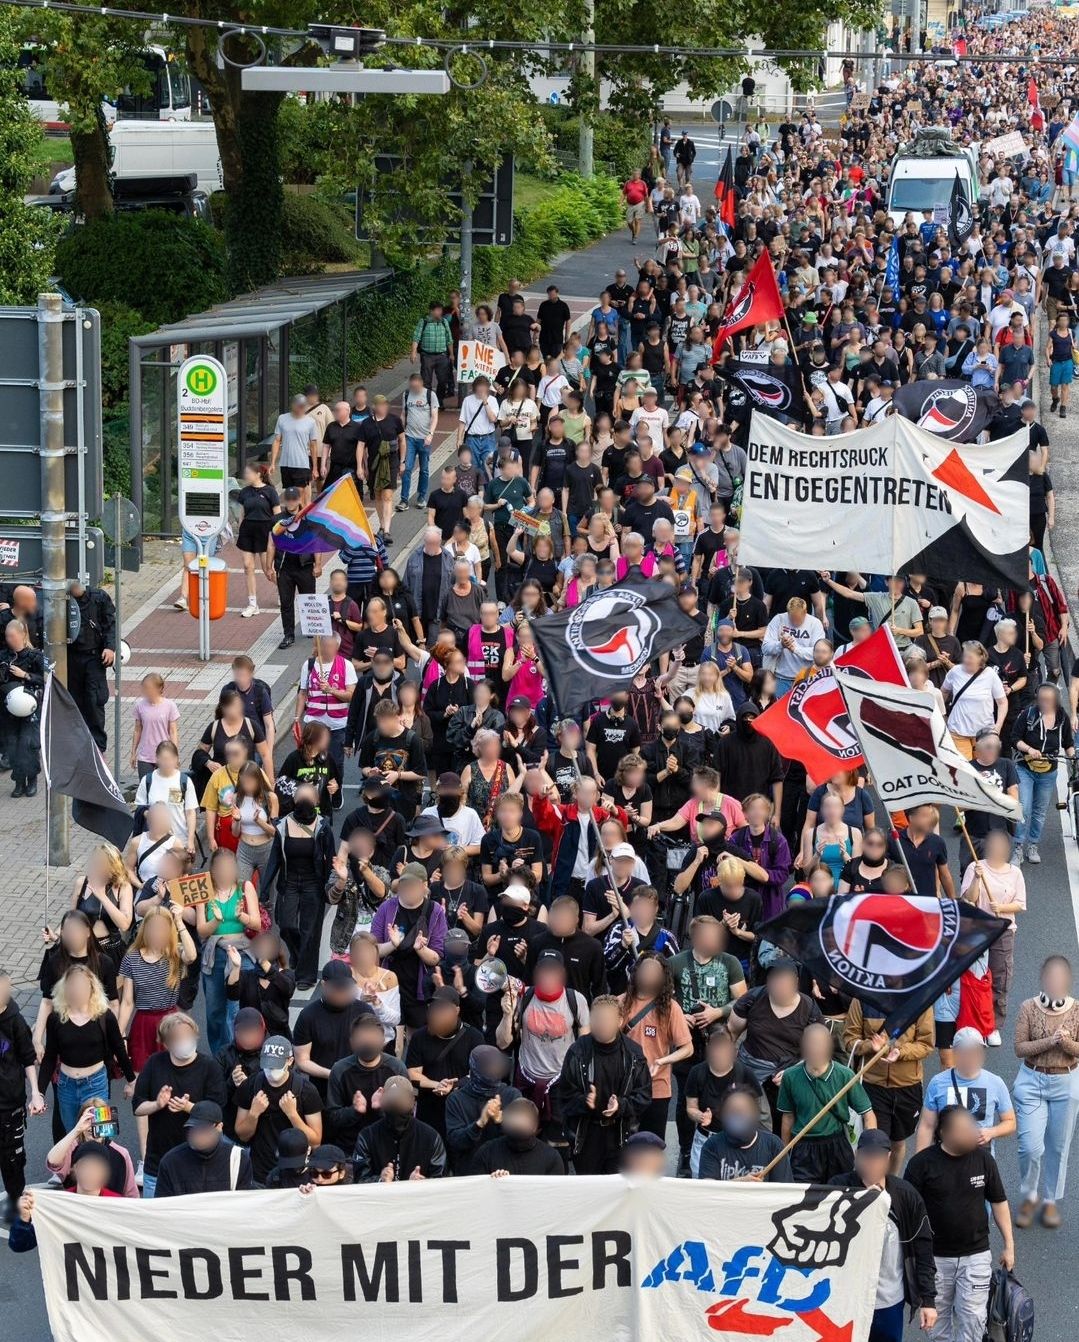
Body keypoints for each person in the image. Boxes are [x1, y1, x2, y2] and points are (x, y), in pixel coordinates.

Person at [906, 1105, 1014, 1342]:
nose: (972, 1133)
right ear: (944, 1133)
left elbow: (998, 1201)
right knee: (937, 1326)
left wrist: (1009, 1245)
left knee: (973, 1322)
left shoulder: (984, 1160)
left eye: (972, 1127)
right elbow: (908, 1212)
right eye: (964, 1129)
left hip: (975, 1256)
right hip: (934, 1260)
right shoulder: (921, 1165)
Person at [830, 1128, 938, 1342]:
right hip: (846, 1298)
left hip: (889, 1301)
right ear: (857, 1156)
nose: (871, 1163)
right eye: (866, 1157)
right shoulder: (837, 1189)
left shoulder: (906, 1196)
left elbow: (923, 1248)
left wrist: (928, 1300)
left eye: (877, 1157)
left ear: (888, 1157)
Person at [1012, 954, 1079, 1229]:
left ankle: (1049, 1200)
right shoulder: (1028, 1007)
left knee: (1058, 1146)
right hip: (1032, 1081)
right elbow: (1019, 1048)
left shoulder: (1077, 1010)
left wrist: (1067, 1045)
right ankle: (1029, 1194)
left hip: (1066, 1081)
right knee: (1031, 1146)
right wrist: (1049, 1041)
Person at [131, 1012, 227, 1197]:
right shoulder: (154, 1063)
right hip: (158, 1161)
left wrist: (189, 1107)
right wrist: (157, 1104)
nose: (185, 1041)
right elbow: (138, 1106)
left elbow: (217, 1110)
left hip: (197, 1162)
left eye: (188, 1036)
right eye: (178, 1038)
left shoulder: (209, 1067)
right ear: (166, 1044)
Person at [555, 993, 651, 1174]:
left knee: (617, 1191)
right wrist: (584, 1101)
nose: (601, 1024)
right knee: (590, 1191)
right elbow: (564, 1097)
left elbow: (644, 1096)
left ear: (619, 1020)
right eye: (597, 1018)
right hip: (586, 1136)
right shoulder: (577, 1052)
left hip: (620, 1135)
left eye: (607, 1019)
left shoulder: (634, 1054)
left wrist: (620, 1106)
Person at [843, 998, 935, 1175]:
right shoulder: (862, 998)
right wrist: (871, 1046)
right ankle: (874, 1185)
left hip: (908, 1085)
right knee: (875, 1141)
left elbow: (926, 1044)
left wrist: (899, 1051)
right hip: (872, 1083)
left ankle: (891, 1184)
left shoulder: (920, 999)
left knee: (898, 1141)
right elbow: (849, 1040)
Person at [728, 958, 824, 1128]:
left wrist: (795, 1070)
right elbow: (732, 1032)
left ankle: (782, 1152)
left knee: (786, 1123)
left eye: (786, 981)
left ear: (795, 983)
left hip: (790, 1072)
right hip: (751, 1069)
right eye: (776, 980)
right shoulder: (753, 998)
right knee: (752, 1123)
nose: (780, 986)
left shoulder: (809, 1008)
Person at [777, 1021, 876, 1183]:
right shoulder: (790, 1076)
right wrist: (784, 1155)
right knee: (804, 1200)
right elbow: (788, 1118)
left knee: (839, 1196)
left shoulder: (845, 1075)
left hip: (837, 1144)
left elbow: (868, 1114)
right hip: (803, 1147)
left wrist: (868, 1148)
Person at [38, 965, 134, 1133]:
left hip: (96, 1084)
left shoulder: (105, 1016)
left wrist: (132, 1081)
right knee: (72, 1136)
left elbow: (119, 1049)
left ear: (92, 987)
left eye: (82, 986)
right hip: (66, 1087)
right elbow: (50, 1057)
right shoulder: (55, 1018)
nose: (77, 991)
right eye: (72, 986)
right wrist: (38, 1093)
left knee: (101, 1135)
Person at [233, 1034, 324, 1184]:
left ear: (289, 1061)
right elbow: (242, 1135)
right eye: (267, 1065)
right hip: (260, 1172)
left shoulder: (306, 1091)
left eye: (276, 1065)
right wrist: (254, 1113)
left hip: (296, 1173)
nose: (271, 1070)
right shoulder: (250, 1086)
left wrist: (292, 1114)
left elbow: (315, 1142)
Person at [371, 863, 447, 1032]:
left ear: (424, 886)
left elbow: (437, 956)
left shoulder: (435, 911)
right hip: (390, 982)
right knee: (391, 1033)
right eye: (404, 884)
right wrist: (392, 944)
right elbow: (373, 950)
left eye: (412, 885)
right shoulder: (387, 908)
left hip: (418, 984)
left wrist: (421, 949)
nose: (407, 889)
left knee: (416, 1033)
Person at [916, 1026, 1016, 1153]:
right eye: (965, 1052)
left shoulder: (995, 1082)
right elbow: (927, 1126)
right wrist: (919, 1162)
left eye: (975, 1052)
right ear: (955, 1053)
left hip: (980, 1155)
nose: (970, 1057)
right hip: (946, 1153)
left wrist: (991, 1132)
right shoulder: (938, 1082)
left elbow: (1010, 1121)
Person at [10, 1143, 120, 1253]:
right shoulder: (59, 1204)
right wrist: (23, 1219)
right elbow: (19, 1245)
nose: (90, 1172)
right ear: (75, 1169)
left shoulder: (118, 1204)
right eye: (85, 1166)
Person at [325, 1010, 408, 1150]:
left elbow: (406, 1116)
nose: (368, 1044)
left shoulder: (396, 1069)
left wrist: (382, 1108)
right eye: (362, 1040)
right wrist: (355, 1111)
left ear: (383, 1041)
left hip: (387, 1144)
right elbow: (332, 1117)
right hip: (350, 1147)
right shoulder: (339, 1069)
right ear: (352, 1042)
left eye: (372, 1039)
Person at [293, 961, 375, 1099]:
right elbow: (302, 1061)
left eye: (347, 987)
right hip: (323, 1088)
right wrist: (333, 1074)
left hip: (360, 1084)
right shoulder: (308, 1016)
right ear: (325, 985)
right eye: (338, 988)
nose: (343, 992)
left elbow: (374, 1047)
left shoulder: (364, 1011)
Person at [1012, 683, 1075, 864]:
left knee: (1039, 811)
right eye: (1041, 699)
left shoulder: (1062, 718)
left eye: (1048, 700)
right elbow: (1015, 738)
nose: (1043, 703)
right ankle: (1017, 847)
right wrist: (1029, 749)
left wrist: (1074, 758)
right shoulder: (1028, 714)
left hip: (1048, 772)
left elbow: (1068, 743)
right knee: (1024, 808)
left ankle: (1033, 845)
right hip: (1025, 768)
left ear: (1056, 701)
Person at [0, 970, 43, 1222]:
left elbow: (28, 1059)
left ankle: (17, 1206)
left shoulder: (15, 1020)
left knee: (13, 1161)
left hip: (10, 1105)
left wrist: (35, 1093)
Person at [444, 1044, 523, 1173]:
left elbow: (521, 1138)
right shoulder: (456, 1099)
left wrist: (500, 1121)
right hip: (470, 1173)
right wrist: (480, 1123)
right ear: (472, 1070)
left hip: (504, 1172)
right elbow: (455, 1142)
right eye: (488, 1067)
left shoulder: (511, 1095)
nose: (493, 1071)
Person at [353, 1074, 446, 1182]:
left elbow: (440, 1180)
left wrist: (422, 1183)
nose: (396, 1112)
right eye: (391, 1105)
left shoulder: (431, 1138)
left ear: (413, 1102)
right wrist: (380, 1180)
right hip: (379, 1198)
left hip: (418, 1198)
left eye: (400, 1106)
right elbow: (360, 1179)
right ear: (382, 1102)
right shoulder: (367, 1137)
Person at [153, 1099, 254, 1195]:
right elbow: (162, 1207)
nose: (197, 1135)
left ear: (219, 1127)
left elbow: (244, 1206)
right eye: (193, 1129)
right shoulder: (171, 1162)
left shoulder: (238, 1159)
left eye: (203, 1129)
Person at [696, 1084, 793, 1182]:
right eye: (732, 1110)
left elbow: (783, 1192)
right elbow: (707, 1191)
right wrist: (739, 1183)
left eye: (745, 1110)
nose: (739, 1115)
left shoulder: (773, 1145)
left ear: (756, 1114)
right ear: (722, 1115)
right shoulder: (712, 1146)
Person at [267, 486, 321, 650]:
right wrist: (269, 567)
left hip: (304, 566)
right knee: (286, 603)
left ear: (299, 500)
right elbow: (271, 543)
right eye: (288, 499)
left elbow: (315, 543)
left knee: (309, 599)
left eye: (293, 499)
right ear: (284, 501)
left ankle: (311, 628)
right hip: (284, 567)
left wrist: (318, 564)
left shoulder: (308, 519)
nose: (290, 502)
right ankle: (288, 634)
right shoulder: (277, 519)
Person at [66, 578, 116, 751]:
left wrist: (110, 647)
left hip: (94, 658)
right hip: (72, 658)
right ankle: (77, 746)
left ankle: (98, 748)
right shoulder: (61, 598)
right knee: (74, 701)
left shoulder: (99, 597)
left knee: (94, 701)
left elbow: (110, 624)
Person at [471, 1097, 565, 1176]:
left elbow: (555, 1193)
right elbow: (477, 1189)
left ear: (534, 1126)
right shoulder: (487, 1152)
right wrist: (493, 1182)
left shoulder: (551, 1158)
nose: (518, 1124)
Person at [271, 394, 319, 499]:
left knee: (299, 495)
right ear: (293, 405)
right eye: (299, 406)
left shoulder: (310, 422)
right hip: (286, 463)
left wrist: (315, 468)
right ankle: (294, 515)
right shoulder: (282, 418)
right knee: (290, 495)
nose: (301, 408)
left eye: (303, 406)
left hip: (302, 464)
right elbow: (277, 441)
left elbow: (313, 445)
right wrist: (273, 463)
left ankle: (301, 515)